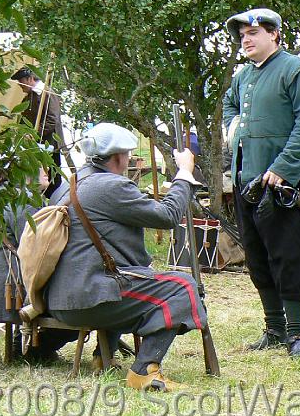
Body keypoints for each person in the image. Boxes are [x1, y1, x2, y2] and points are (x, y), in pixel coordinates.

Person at [45, 123, 207, 390]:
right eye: (128, 154)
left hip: (63, 298)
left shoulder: (71, 184)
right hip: (89, 297)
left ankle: (102, 357)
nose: (130, 159)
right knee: (182, 287)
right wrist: (185, 174)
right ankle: (145, 370)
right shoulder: (109, 185)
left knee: (125, 276)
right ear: (118, 157)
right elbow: (167, 216)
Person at [223, 8, 300, 359]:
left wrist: (282, 166)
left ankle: (296, 335)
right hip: (247, 181)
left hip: (283, 185)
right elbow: (230, 109)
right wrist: (234, 132)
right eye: (243, 36)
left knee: (290, 257)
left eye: (254, 33)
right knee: (258, 258)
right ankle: (274, 328)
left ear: (275, 34)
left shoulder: (295, 71)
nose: (246, 40)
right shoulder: (242, 77)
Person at [0, 169, 77, 361]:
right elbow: (40, 250)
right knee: (72, 304)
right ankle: (35, 351)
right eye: (39, 165)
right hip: (4, 292)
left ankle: (25, 345)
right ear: (23, 172)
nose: (47, 171)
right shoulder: (24, 201)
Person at [11, 67, 65, 197]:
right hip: (36, 145)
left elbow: (52, 120)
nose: (20, 85)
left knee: (52, 179)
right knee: (37, 178)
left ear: (30, 79)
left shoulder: (47, 93)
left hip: (49, 145)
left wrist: (35, 133)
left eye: (21, 81)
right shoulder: (30, 97)